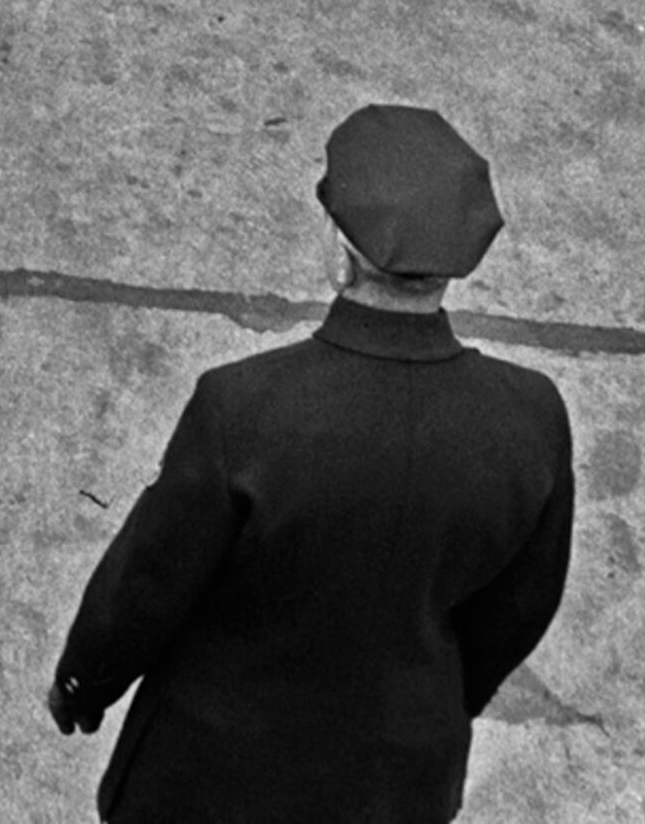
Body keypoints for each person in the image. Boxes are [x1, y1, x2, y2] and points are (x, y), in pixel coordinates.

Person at [49, 103, 573, 822]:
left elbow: (150, 580)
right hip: (393, 781)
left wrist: (85, 682)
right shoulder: (531, 418)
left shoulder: (245, 409)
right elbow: (518, 610)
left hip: (209, 776)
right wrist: (438, 703)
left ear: (340, 252)